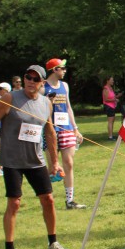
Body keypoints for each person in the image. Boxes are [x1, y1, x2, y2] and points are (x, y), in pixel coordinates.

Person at [0, 65, 72, 249]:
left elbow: (50, 132)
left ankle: (53, 244)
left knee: (48, 199)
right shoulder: (10, 98)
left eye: (35, 78)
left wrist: (55, 162)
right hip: (12, 160)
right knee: (14, 202)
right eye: (28, 77)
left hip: (35, 160)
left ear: (42, 83)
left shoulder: (45, 103)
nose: (31, 81)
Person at [44, 58, 86, 210]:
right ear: (54, 70)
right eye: (62, 68)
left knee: (68, 163)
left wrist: (75, 128)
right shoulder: (42, 87)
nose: (65, 71)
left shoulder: (65, 86)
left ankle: (70, 200)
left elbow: (68, 107)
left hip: (66, 127)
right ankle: (46, 198)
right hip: (49, 130)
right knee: (53, 168)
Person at [102, 75, 123, 140]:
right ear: (107, 81)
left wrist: (117, 96)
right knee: (110, 121)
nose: (113, 81)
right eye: (111, 80)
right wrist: (115, 100)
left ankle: (111, 135)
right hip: (108, 107)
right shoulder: (105, 89)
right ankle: (110, 137)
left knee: (112, 121)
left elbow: (112, 97)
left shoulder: (110, 88)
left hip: (112, 106)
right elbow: (106, 99)